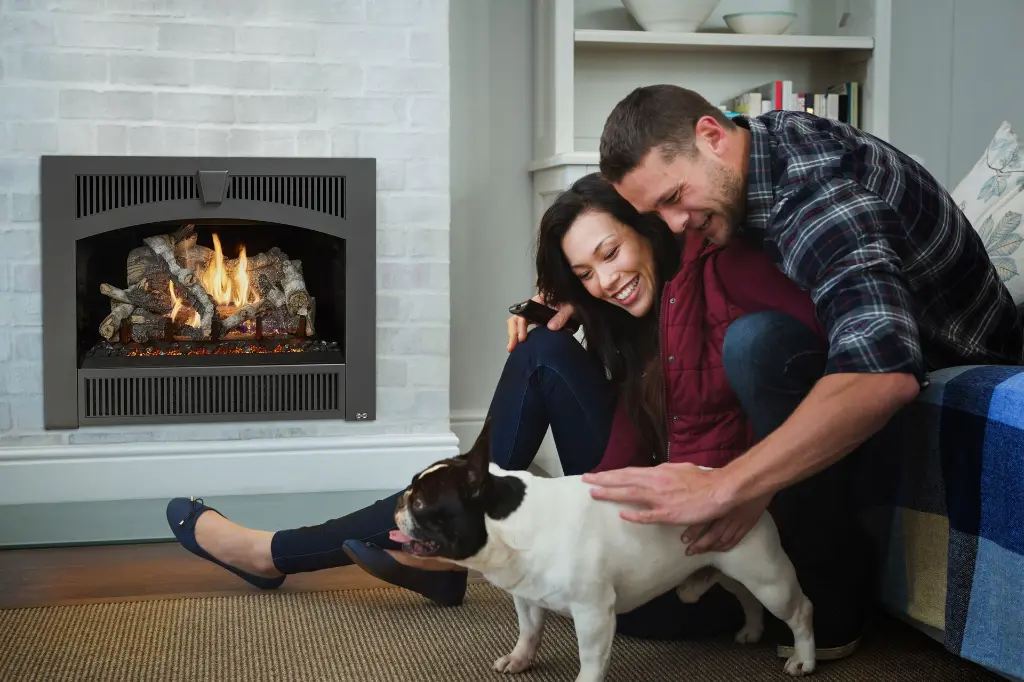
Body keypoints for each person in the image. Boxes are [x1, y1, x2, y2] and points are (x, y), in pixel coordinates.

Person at [166, 172, 832, 649]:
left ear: (647, 228)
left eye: (611, 252)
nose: (605, 278)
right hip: (640, 516)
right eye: (585, 272)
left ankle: (299, 553)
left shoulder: (720, 290)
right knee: (540, 351)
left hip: (688, 565)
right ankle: (448, 546)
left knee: (537, 363)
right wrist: (561, 305)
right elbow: (622, 440)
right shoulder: (627, 313)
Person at [539, 85, 1024, 657]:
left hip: (943, 359)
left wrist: (731, 485)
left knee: (757, 344)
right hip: (868, 344)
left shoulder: (818, 197)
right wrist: (578, 297)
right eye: (656, 213)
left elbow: (884, 372)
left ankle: (836, 594)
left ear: (712, 137)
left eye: (673, 198)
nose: (673, 224)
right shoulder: (749, 150)